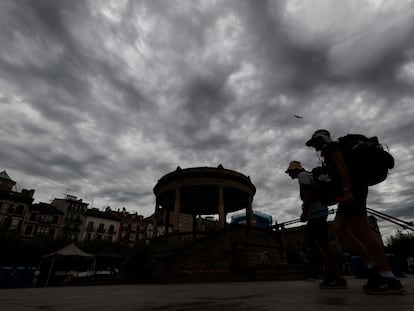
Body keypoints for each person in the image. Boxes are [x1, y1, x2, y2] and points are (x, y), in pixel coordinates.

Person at [305, 129, 404, 294]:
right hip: (349, 192)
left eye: (314, 142)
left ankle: (388, 277)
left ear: (321, 139)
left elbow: (342, 165)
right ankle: (373, 270)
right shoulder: (329, 150)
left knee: (362, 228)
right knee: (339, 228)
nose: (313, 146)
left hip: (352, 191)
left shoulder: (331, 148)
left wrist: (347, 190)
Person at [286, 161, 347, 289]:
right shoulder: (308, 174)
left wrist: (305, 212)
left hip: (316, 214)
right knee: (317, 244)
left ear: (294, 170)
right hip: (320, 212)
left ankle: (333, 275)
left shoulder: (302, 175)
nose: (289, 175)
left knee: (316, 244)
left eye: (290, 172)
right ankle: (334, 275)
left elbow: (308, 194)